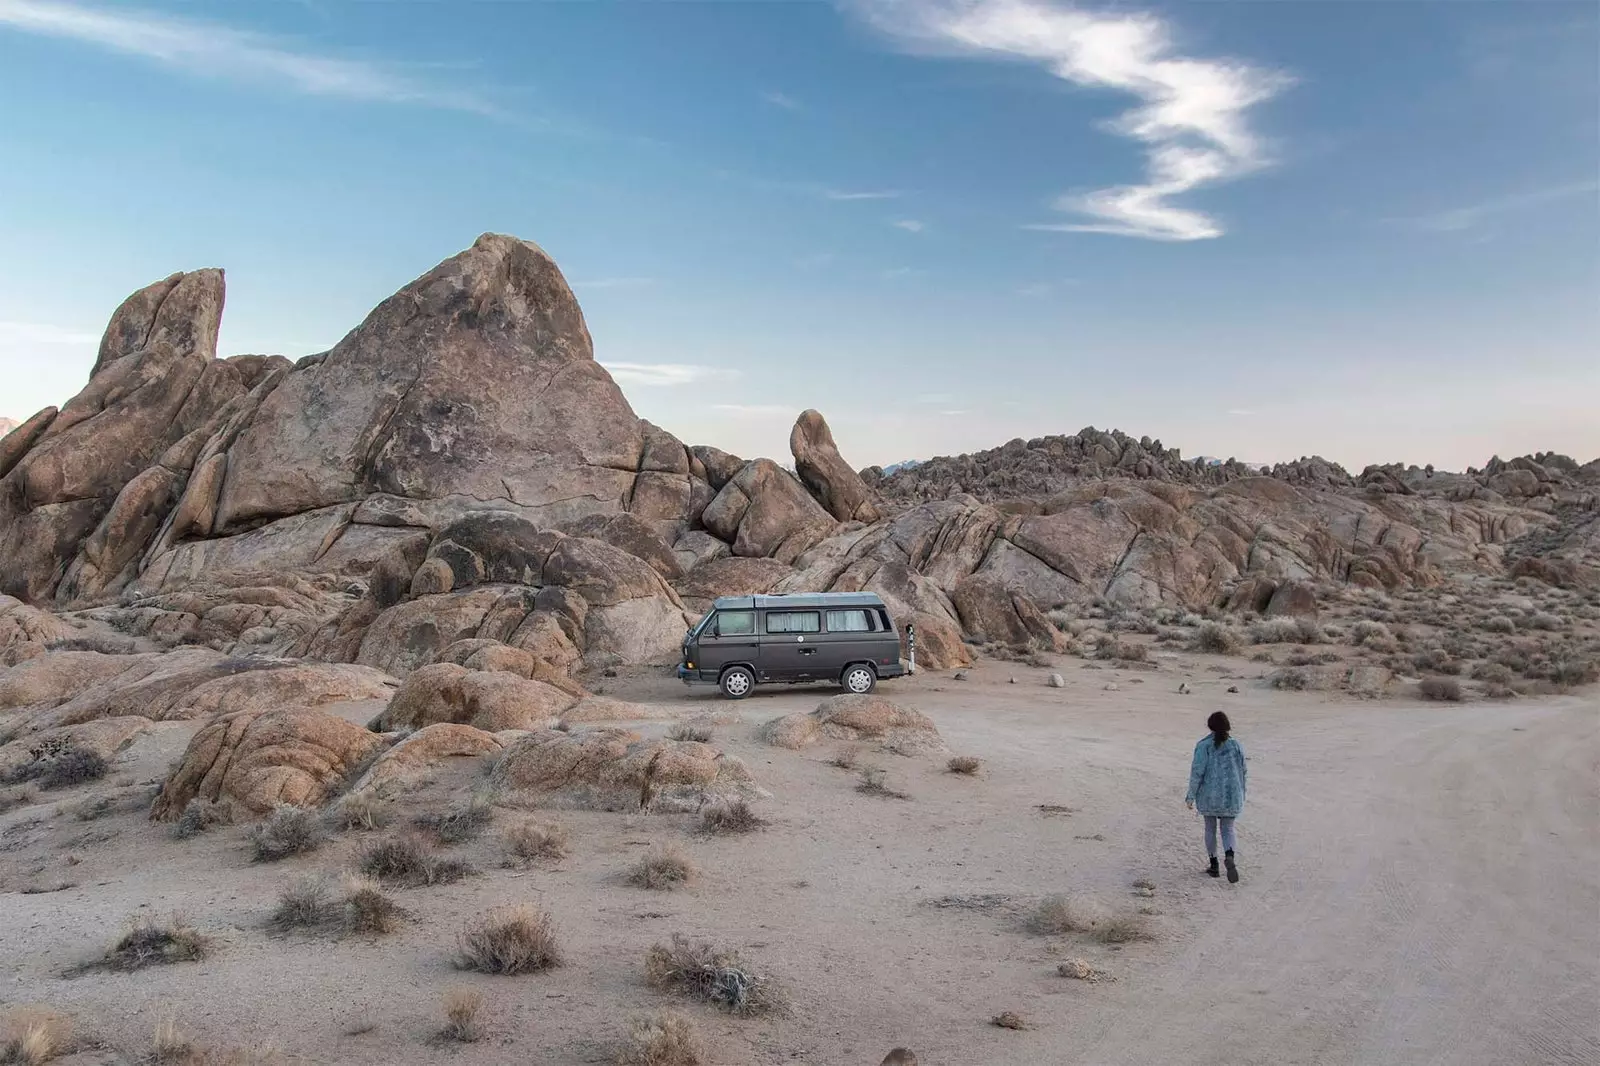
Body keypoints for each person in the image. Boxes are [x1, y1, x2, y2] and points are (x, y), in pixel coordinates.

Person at [1185, 710, 1247, 882]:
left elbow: (1197, 772)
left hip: (1209, 795)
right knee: (1228, 829)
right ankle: (1230, 856)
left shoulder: (1204, 745)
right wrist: (1242, 794)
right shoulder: (1236, 745)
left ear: (1210, 726)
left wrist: (1190, 796)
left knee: (1210, 829)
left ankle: (1214, 865)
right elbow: (1243, 771)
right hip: (1231, 795)